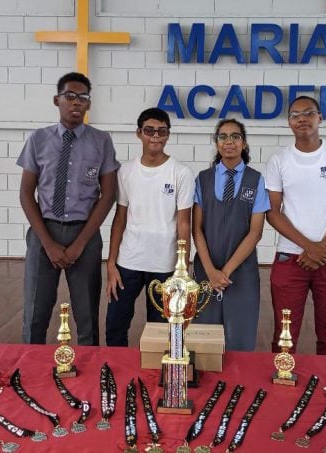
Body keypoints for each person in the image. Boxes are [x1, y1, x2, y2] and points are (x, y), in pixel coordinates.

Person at [17, 72, 119, 345]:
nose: (76, 103)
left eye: (83, 98)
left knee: (87, 316)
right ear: (57, 100)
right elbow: (27, 194)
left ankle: (90, 377)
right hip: (44, 232)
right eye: (70, 96)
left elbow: (108, 195)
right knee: (35, 313)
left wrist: (79, 244)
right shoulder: (38, 139)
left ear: (88, 104)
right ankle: (29, 369)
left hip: (84, 235)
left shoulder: (101, 141)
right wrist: (47, 243)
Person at [265, 95, 326, 355]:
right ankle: (281, 389)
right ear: (289, 123)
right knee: (283, 337)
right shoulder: (279, 160)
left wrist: (324, 247)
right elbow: (273, 212)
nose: (302, 119)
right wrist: (310, 247)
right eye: (295, 115)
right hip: (290, 258)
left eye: (308, 113)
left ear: (320, 118)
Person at [104, 107, 194, 346]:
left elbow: (185, 223)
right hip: (128, 261)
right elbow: (120, 219)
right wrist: (111, 263)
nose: (156, 136)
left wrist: (182, 267)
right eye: (149, 130)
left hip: (165, 264)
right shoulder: (125, 171)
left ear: (168, 135)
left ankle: (155, 378)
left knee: (160, 330)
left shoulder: (181, 173)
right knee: (115, 324)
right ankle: (116, 372)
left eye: (161, 131)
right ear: (138, 133)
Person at [192, 119, 270, 351]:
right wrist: (210, 271)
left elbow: (255, 232)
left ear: (244, 144)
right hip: (206, 267)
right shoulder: (202, 179)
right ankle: (205, 384)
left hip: (241, 270)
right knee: (204, 336)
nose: (229, 142)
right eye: (223, 137)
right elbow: (196, 229)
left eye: (235, 137)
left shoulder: (256, 180)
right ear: (216, 144)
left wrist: (224, 273)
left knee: (241, 334)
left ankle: (240, 382)